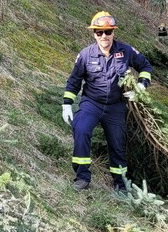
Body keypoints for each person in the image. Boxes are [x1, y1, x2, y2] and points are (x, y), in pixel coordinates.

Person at [62, 11, 152, 194]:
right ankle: (82, 177)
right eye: (99, 32)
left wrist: (141, 88)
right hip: (91, 104)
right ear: (93, 33)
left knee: (117, 143)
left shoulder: (125, 51)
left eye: (108, 32)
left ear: (113, 33)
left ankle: (120, 184)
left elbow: (145, 66)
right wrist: (66, 103)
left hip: (116, 106)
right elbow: (74, 81)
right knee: (81, 129)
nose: (104, 36)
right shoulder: (86, 55)